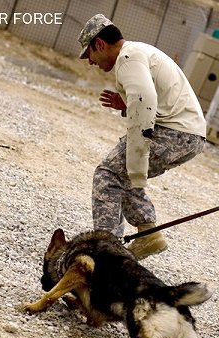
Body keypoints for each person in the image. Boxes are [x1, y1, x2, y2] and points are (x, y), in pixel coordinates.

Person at [77, 14, 206, 259]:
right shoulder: (137, 52)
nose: (90, 62)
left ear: (100, 44)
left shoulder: (128, 58)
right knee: (124, 174)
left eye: (89, 54)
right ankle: (148, 235)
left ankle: (108, 254)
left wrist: (136, 154)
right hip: (188, 134)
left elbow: (144, 103)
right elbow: (150, 99)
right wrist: (125, 103)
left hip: (176, 133)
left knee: (108, 175)